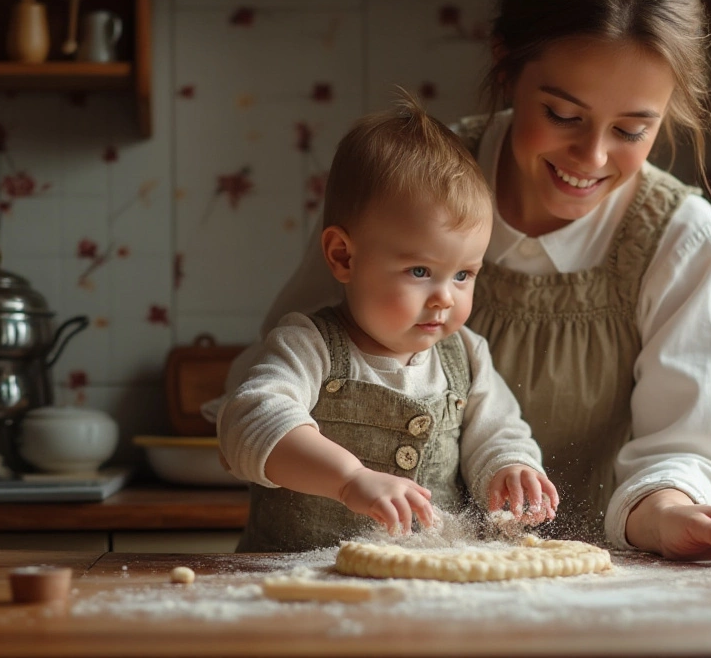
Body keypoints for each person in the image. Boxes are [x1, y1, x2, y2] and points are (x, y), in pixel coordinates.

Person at [221, 0, 711, 565]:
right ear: (507, 62)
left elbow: (675, 445)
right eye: (562, 113)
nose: (592, 158)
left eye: (632, 130)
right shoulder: (402, 190)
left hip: (585, 594)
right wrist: (347, 476)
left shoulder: (686, 240)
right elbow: (264, 390)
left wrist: (671, 514)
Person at [218, 93, 559, 552]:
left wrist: (511, 467)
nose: (444, 297)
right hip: (300, 596)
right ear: (343, 256)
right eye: (420, 271)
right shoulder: (308, 346)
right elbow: (250, 420)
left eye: (463, 275)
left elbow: (497, 433)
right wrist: (348, 479)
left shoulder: (467, 356)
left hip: (428, 595)